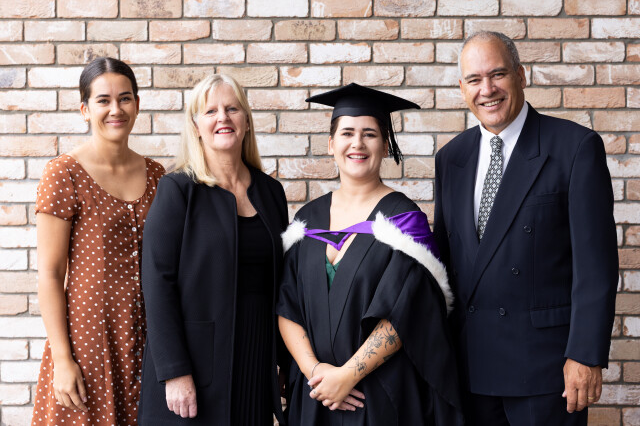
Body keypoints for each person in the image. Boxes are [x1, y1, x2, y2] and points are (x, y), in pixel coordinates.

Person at [434, 31, 619, 425]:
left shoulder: (575, 148)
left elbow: (596, 266)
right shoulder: (450, 158)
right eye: (474, 80)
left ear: (520, 74)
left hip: (547, 372)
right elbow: (446, 264)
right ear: (462, 88)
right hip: (469, 368)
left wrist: (585, 355)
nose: (487, 90)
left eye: (498, 74)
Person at [277, 83, 464, 425]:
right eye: (347, 133)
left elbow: (408, 312)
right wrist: (315, 372)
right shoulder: (307, 221)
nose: (357, 143)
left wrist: (347, 376)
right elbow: (286, 306)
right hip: (315, 395)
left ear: (385, 145)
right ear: (331, 144)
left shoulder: (403, 222)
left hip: (379, 397)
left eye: (370, 134)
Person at [138, 74, 288, 425]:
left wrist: (285, 361)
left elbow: (283, 283)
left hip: (256, 359)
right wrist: (174, 370)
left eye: (232, 108)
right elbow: (157, 283)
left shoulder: (271, 193)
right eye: (211, 111)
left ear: (246, 120)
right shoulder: (177, 189)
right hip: (196, 365)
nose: (223, 117)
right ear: (196, 126)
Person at [31, 57, 165, 426]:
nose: (115, 109)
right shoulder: (64, 173)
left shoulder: (157, 175)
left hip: (149, 342)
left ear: (137, 104)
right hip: (88, 341)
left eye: (125, 98)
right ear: (85, 109)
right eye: (103, 100)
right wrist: (63, 359)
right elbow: (49, 274)